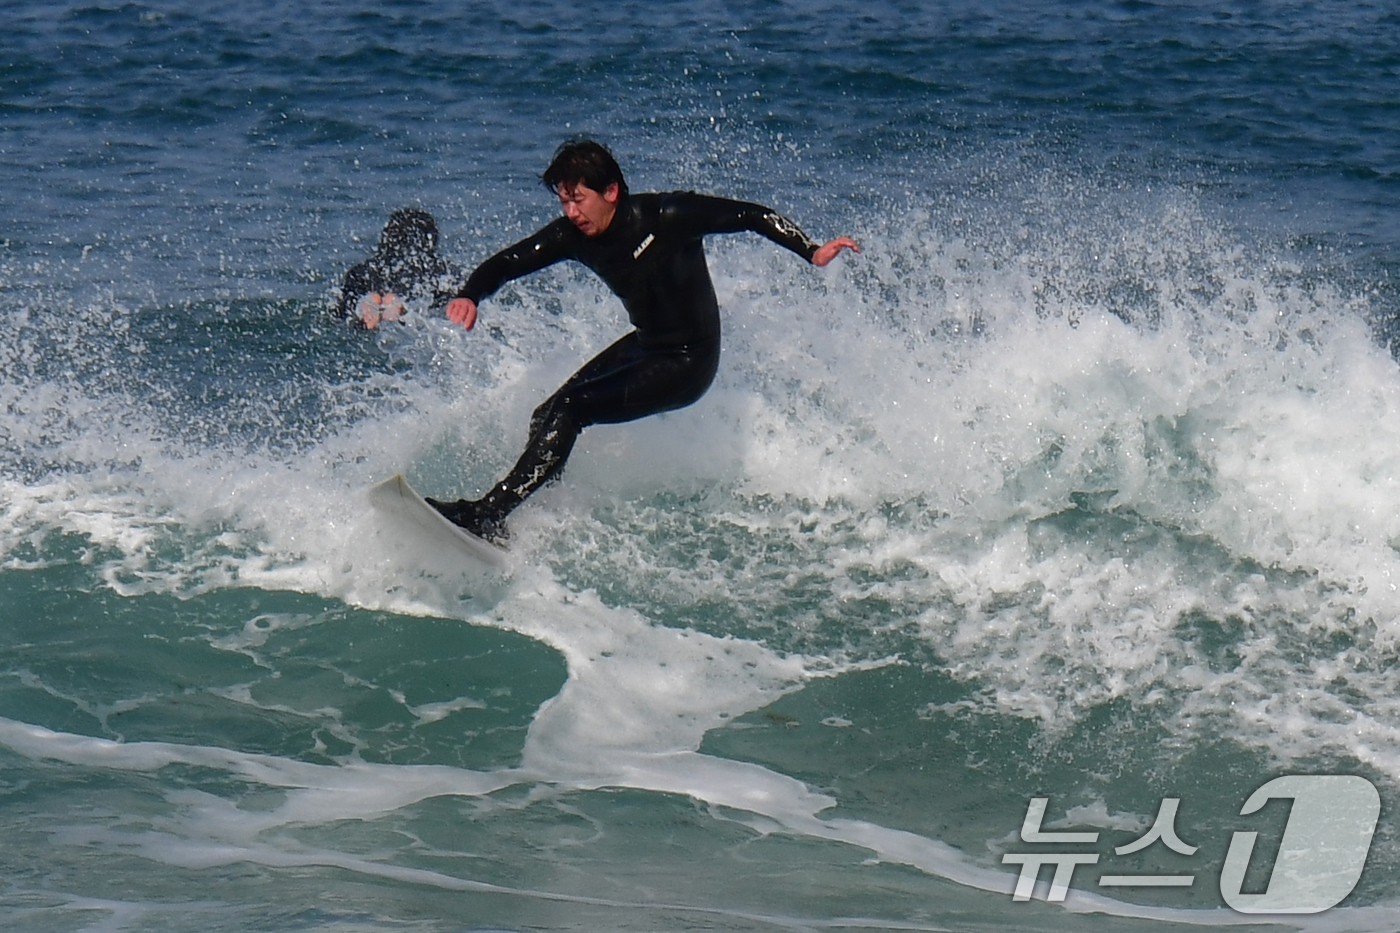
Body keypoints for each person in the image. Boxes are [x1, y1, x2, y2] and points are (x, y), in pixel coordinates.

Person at [427, 139, 860, 543]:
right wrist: (471, 293)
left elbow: (749, 216)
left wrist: (810, 250)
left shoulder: (668, 216)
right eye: (564, 201)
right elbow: (510, 261)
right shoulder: (574, 237)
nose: (571, 212)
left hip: (689, 362)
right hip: (646, 344)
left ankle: (489, 514)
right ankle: (525, 514)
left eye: (578, 200)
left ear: (611, 190)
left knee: (572, 408)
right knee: (548, 414)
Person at [334, 208, 462, 329]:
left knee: (350, 300)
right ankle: (396, 306)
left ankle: (367, 305)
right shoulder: (437, 267)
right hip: (415, 281)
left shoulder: (368, 266)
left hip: (374, 274)